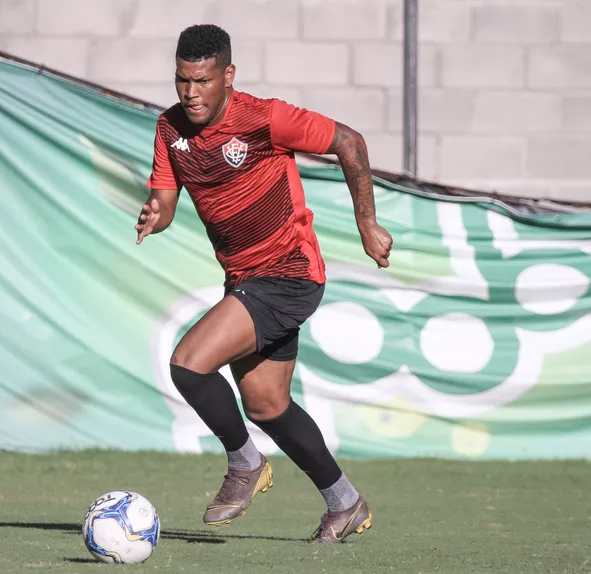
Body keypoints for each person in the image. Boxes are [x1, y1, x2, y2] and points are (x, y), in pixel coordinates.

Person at [135, 24, 393, 544]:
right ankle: (344, 502)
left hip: (288, 272)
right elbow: (165, 200)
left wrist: (367, 223)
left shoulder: (264, 117)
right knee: (267, 405)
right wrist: (155, 215)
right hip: (245, 280)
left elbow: (349, 141)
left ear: (227, 76)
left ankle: (245, 463)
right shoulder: (170, 129)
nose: (190, 92)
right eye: (182, 80)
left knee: (189, 363)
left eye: (202, 81)